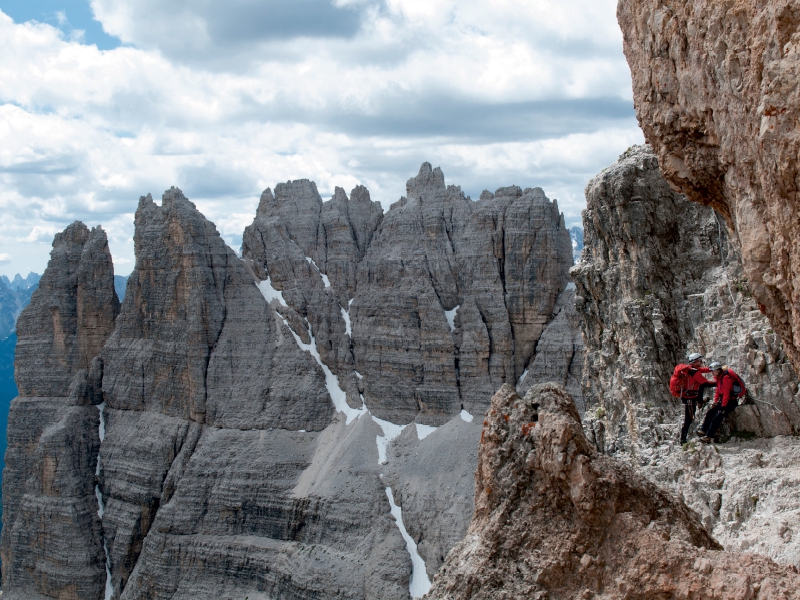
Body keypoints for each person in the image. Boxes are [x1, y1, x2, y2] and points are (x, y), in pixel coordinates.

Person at [671, 353, 716, 445]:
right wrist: (718, 383)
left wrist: (714, 368)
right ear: (696, 361)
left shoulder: (690, 369)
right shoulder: (694, 372)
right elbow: (705, 383)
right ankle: (683, 440)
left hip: (688, 397)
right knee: (689, 419)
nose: (701, 362)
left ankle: (700, 401)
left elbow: (703, 370)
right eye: (700, 361)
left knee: (689, 418)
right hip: (690, 398)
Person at [697, 362, 747, 443]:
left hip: (731, 402)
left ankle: (709, 436)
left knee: (717, 417)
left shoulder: (726, 378)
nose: (712, 372)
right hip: (724, 402)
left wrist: (723, 407)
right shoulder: (719, 378)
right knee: (710, 413)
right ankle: (703, 430)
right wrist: (715, 402)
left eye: (713, 371)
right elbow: (718, 391)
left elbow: (726, 394)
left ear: (718, 370)